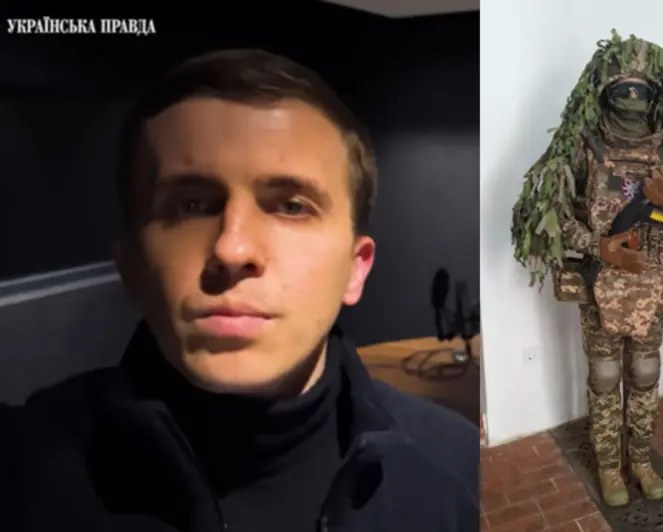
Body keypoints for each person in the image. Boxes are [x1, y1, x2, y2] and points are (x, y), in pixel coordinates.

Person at [0, 49, 479, 531]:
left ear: (356, 270)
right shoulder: (21, 474)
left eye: (291, 206)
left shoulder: (457, 472)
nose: (232, 249)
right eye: (191, 205)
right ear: (131, 265)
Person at [511, 30, 663, 507]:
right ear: (606, 89)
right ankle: (610, 467)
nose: (633, 97)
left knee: (645, 371)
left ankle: (643, 461)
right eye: (624, 87)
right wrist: (599, 247)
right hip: (602, 283)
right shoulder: (583, 145)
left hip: (650, 283)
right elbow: (546, 218)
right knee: (606, 375)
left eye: (641, 88)